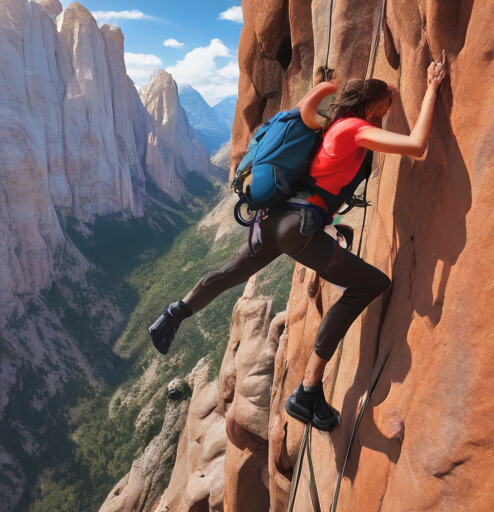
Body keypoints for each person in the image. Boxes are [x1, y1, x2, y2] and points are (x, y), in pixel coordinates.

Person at [149, 54, 447, 432]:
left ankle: (173, 315)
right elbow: (417, 145)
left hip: (273, 220)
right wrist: (432, 88)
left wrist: (331, 81)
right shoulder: (353, 129)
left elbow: (324, 102)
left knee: (228, 273)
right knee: (372, 284)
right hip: (298, 228)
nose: (389, 109)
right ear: (372, 104)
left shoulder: (328, 126)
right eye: (386, 103)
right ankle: (308, 389)